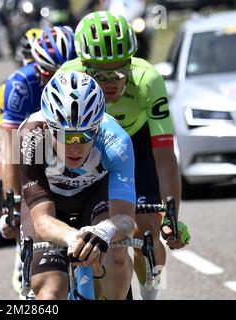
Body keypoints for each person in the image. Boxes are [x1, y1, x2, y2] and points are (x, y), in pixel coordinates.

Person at [59, 10, 191, 299]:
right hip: (88, 147)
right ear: (84, 67)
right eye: (101, 74)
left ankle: (151, 294)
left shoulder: (147, 79)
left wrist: (171, 215)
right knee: (89, 235)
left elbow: (165, 156)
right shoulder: (66, 78)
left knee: (147, 233)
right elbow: (51, 147)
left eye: (120, 72)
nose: (112, 82)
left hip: (137, 141)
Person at [19, 70, 136, 300]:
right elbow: (42, 220)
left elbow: (126, 220)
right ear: (49, 127)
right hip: (49, 202)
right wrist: (75, 238)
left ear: (97, 127)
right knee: (51, 289)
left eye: (85, 135)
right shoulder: (30, 137)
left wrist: (103, 231)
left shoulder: (117, 142)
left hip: (94, 196)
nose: (75, 146)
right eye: (66, 136)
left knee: (116, 257)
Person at [0, 26, 76, 295]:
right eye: (52, 75)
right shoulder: (19, 84)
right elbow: (9, 151)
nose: (61, 82)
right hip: (33, 150)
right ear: (38, 69)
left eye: (68, 73)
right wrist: (13, 206)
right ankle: (26, 255)